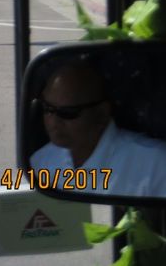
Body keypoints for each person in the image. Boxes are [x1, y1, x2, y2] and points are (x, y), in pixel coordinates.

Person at [30, 62, 166, 197]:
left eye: (67, 112)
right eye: (47, 108)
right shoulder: (41, 161)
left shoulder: (156, 165)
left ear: (102, 113)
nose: (53, 121)